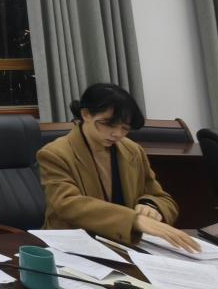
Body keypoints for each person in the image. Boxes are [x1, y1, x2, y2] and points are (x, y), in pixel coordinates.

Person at [38, 82, 200, 252]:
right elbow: (67, 204)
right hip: (73, 247)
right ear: (86, 114)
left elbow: (162, 198)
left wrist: (151, 206)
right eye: (108, 124)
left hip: (124, 245)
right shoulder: (55, 153)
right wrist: (133, 220)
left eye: (124, 128)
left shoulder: (133, 150)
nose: (117, 134)